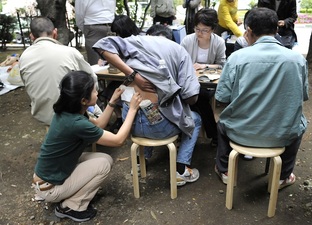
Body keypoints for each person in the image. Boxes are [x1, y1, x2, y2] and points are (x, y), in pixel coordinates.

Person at [214, 7, 308, 188]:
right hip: (282, 135)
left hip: (241, 133)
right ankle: (283, 176)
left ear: (248, 31)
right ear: (277, 29)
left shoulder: (237, 58)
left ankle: (225, 170)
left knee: (222, 123)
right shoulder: (297, 60)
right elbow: (302, 96)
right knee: (299, 124)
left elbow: (222, 97)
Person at [32, 71, 142, 222]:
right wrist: (132, 110)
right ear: (84, 100)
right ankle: (71, 206)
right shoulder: (76, 123)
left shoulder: (69, 112)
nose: (97, 93)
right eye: (94, 91)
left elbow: (100, 125)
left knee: (103, 158)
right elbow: (118, 140)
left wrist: (112, 101)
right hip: (49, 188)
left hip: (47, 177)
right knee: (103, 164)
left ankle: (72, 193)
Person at [93, 34, 202, 187]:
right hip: (158, 127)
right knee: (195, 119)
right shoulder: (179, 51)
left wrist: (133, 75)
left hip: (129, 124)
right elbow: (192, 97)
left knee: (145, 110)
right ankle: (181, 170)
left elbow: (100, 44)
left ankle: (140, 162)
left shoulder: (133, 42)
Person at [19, 17, 101, 126]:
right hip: (70, 114)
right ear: (55, 33)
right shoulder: (70, 52)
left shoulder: (24, 57)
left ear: (32, 36)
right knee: (98, 112)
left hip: (42, 115)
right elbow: (93, 80)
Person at [180, 8, 226, 146]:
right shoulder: (187, 40)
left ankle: (194, 132)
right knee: (197, 97)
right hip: (188, 82)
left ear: (212, 29)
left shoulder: (218, 42)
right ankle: (214, 134)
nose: (199, 33)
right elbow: (178, 61)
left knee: (199, 96)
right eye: (197, 29)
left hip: (208, 84)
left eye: (204, 30)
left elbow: (222, 65)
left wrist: (204, 66)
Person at [100, 15, 141, 133]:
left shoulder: (139, 39)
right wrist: (106, 60)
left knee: (115, 89)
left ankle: (125, 119)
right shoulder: (120, 41)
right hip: (124, 77)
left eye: (118, 32)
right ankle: (119, 118)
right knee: (110, 90)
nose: (117, 36)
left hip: (137, 78)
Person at [75, 0, 116, 65]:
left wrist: (86, 30)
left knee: (95, 64)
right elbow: (112, 9)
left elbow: (79, 15)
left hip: (93, 26)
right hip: (110, 26)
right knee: (112, 63)